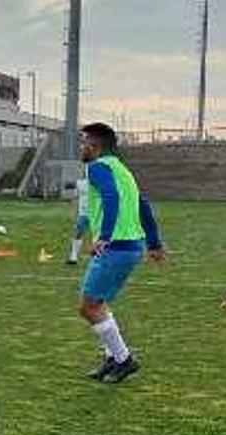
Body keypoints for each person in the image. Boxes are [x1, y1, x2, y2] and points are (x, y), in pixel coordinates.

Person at [75, 122, 166, 384]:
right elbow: (144, 205)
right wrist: (155, 243)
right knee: (97, 304)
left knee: (89, 306)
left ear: (95, 146)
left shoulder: (97, 167)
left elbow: (111, 197)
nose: (82, 147)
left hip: (116, 247)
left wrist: (104, 236)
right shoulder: (123, 170)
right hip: (131, 246)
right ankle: (114, 358)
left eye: (85, 143)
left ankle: (124, 359)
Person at [67, 178, 91, 265]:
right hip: (83, 214)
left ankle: (98, 255)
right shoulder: (81, 183)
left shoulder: (99, 183)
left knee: (98, 235)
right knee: (78, 233)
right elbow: (74, 194)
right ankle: (73, 256)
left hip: (96, 214)